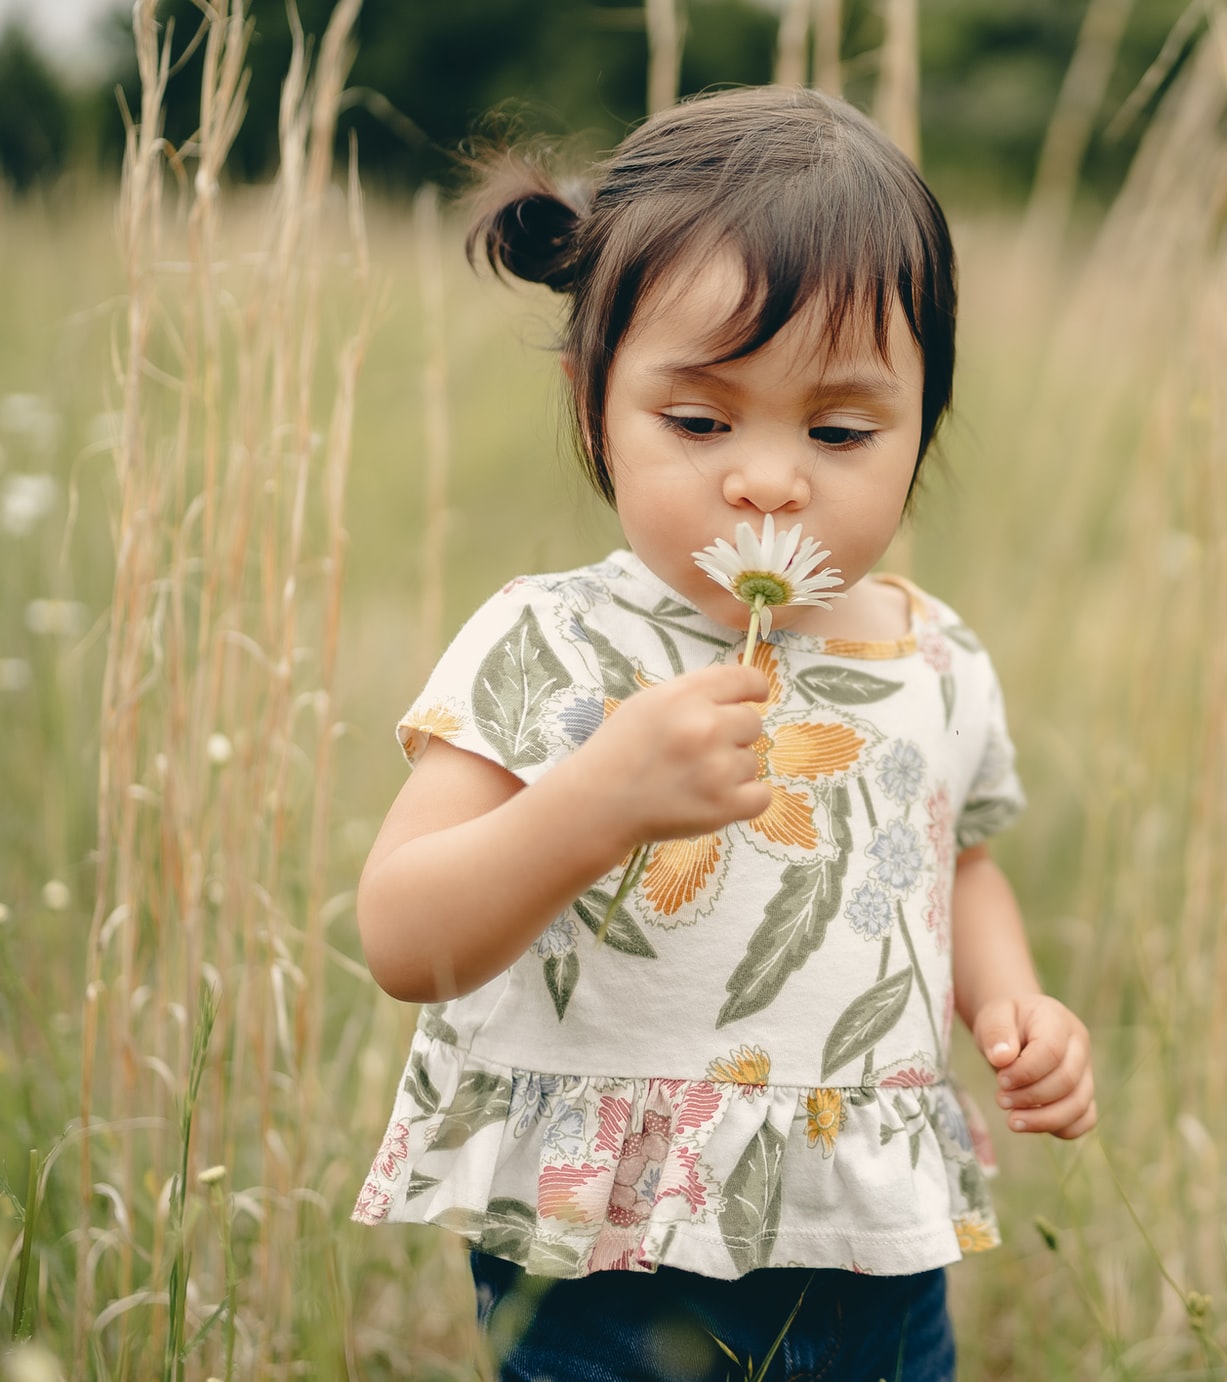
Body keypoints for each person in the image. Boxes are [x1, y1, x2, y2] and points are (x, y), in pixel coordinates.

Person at [349, 86, 1096, 1381]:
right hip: (606, 1243)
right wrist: (599, 798)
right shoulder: (550, 642)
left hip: (866, 1225)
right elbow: (406, 939)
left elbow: (955, 854)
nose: (766, 476)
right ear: (595, 397)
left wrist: (1011, 998)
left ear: (922, 420)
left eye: (841, 429)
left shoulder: (929, 654)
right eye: (697, 421)